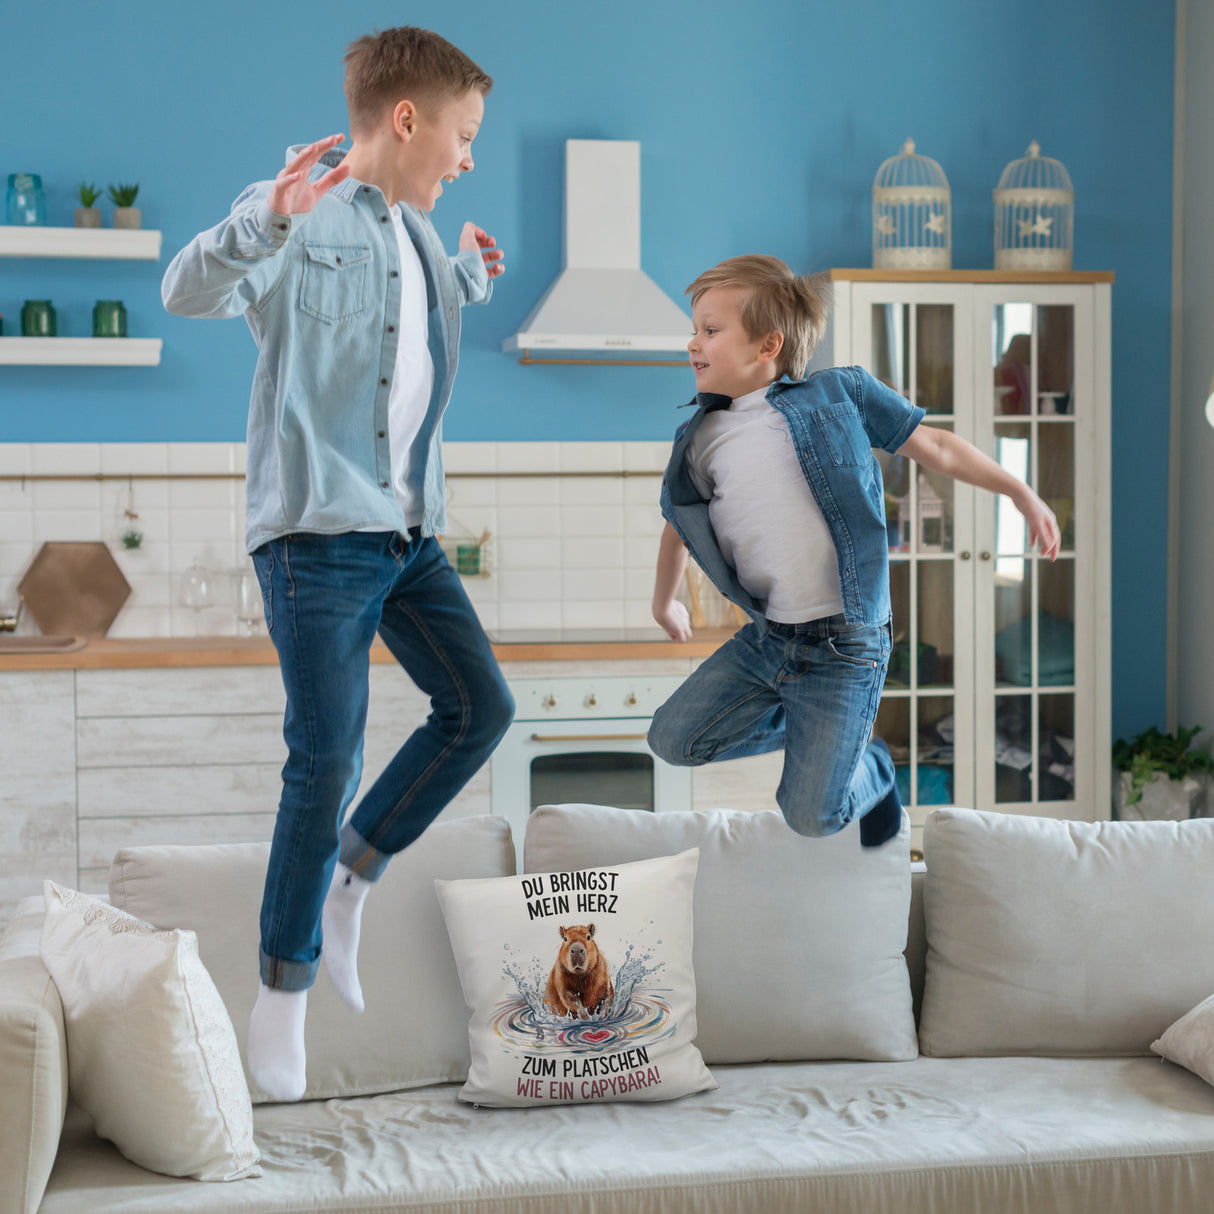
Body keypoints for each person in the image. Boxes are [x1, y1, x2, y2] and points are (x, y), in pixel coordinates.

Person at [161, 26, 514, 1101]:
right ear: (405, 118)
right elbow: (186, 290)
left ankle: (354, 874)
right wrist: (263, 218)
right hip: (316, 531)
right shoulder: (297, 217)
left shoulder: (416, 238)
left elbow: (401, 348)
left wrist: (468, 277)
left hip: (406, 532)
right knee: (326, 754)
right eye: (461, 135)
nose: (465, 158)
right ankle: (281, 989)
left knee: (478, 708)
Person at [649, 255, 1060, 848]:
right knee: (673, 740)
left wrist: (1019, 491)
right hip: (770, 640)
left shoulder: (840, 393)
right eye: (694, 329)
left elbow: (937, 446)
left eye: (710, 330)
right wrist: (665, 601)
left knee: (810, 816)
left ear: (769, 344)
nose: (693, 342)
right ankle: (823, 734)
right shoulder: (701, 440)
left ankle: (872, 767)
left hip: (846, 645)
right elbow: (678, 524)